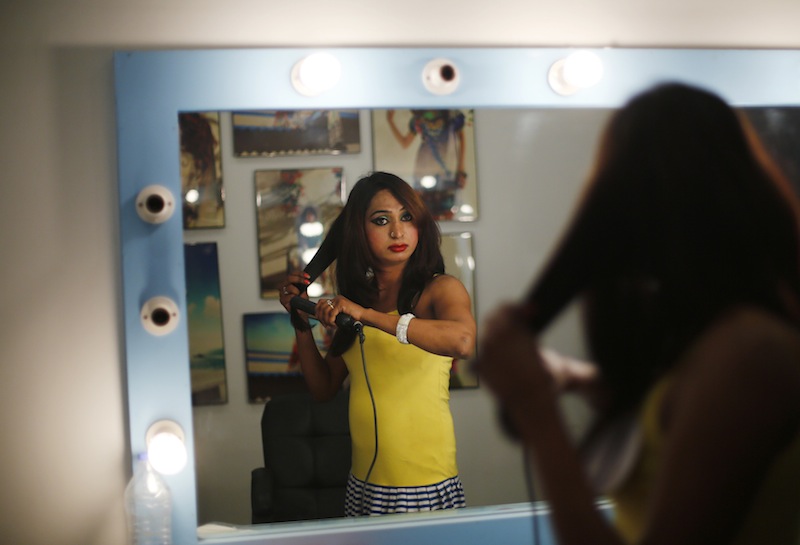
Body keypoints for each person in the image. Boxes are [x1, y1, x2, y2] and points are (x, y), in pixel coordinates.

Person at [475, 82, 800, 545]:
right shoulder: (723, 342)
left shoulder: (749, 354)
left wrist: (537, 411)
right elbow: (680, 406)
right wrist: (577, 377)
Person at [279, 171, 476, 516]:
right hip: (364, 484)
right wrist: (300, 319)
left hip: (423, 484)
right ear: (358, 231)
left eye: (407, 217)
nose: (397, 232)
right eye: (381, 220)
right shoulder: (356, 301)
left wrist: (367, 315)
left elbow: (462, 341)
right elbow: (324, 388)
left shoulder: (441, 290)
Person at [385, 109, 468, 220]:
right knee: (426, 216)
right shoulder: (418, 120)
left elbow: (461, 138)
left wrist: (460, 167)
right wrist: (390, 121)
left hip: (446, 172)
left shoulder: (451, 115)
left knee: (448, 212)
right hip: (423, 170)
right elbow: (405, 143)